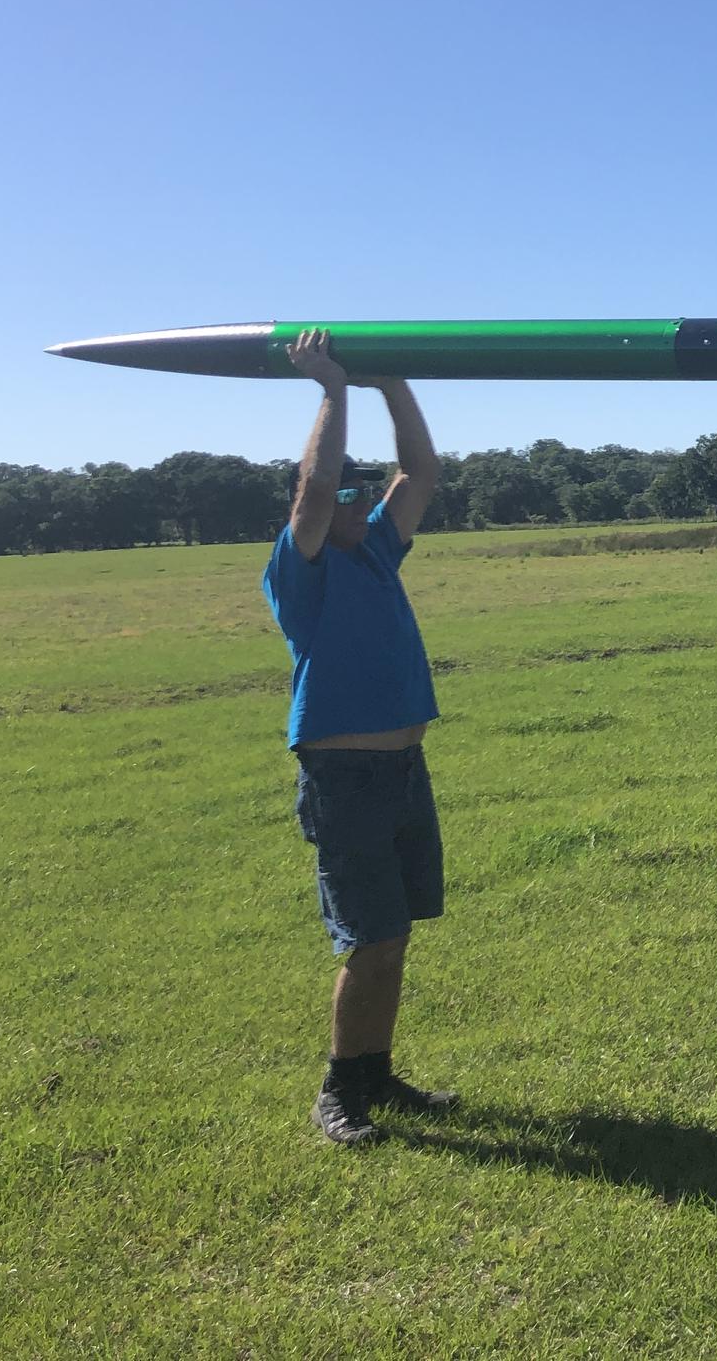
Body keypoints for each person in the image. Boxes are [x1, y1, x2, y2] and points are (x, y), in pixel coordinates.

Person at [261, 329, 455, 1146]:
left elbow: (423, 472)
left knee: (394, 932)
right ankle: (338, 1093)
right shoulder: (300, 566)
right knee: (369, 936)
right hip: (344, 782)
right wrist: (334, 391)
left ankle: (376, 1073)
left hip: (405, 769)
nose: (360, 496)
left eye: (362, 489)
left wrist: (393, 384)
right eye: (348, 490)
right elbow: (314, 489)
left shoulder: (377, 550)